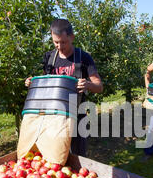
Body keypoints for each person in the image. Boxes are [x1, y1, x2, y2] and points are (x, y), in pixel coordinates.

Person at [25, 18, 103, 156]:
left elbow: (99, 86)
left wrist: (88, 84)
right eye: (56, 42)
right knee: (53, 154)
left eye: (63, 42)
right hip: (52, 117)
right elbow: (45, 83)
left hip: (77, 116)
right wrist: (33, 84)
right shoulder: (49, 57)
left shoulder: (83, 58)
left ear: (72, 37)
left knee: (76, 157)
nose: (60, 46)